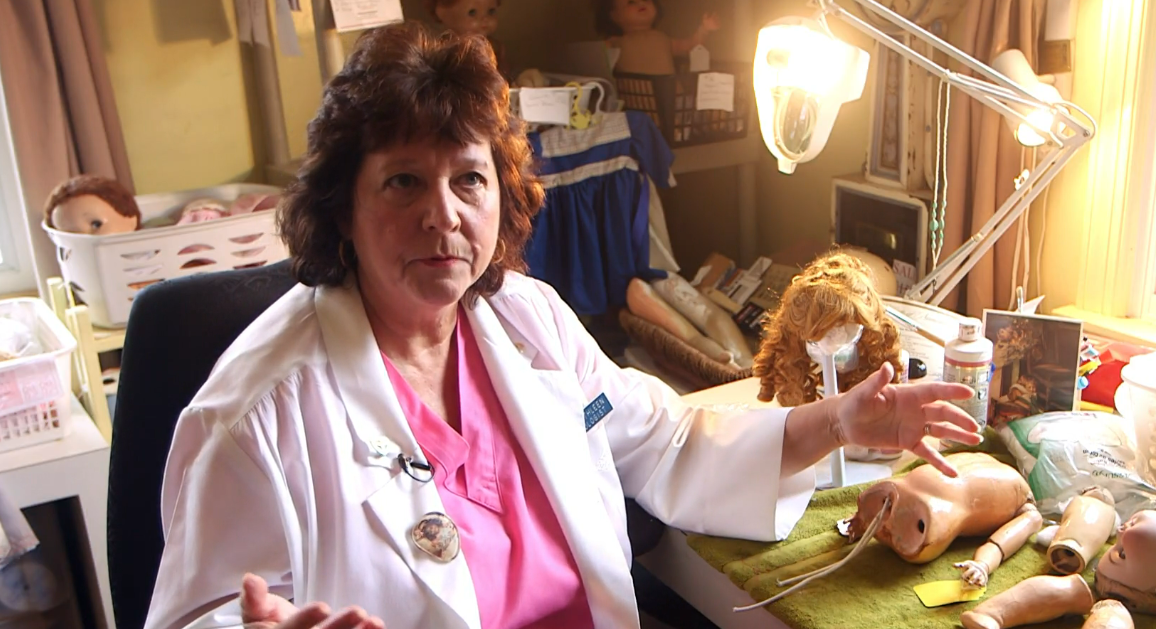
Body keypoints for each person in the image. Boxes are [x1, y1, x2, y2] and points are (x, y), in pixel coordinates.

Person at [144, 22, 982, 629]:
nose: (444, 217)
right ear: (343, 207)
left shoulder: (525, 318)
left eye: (468, 180)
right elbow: (206, 614)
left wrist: (837, 420)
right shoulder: (256, 416)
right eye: (403, 182)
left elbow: (667, 443)